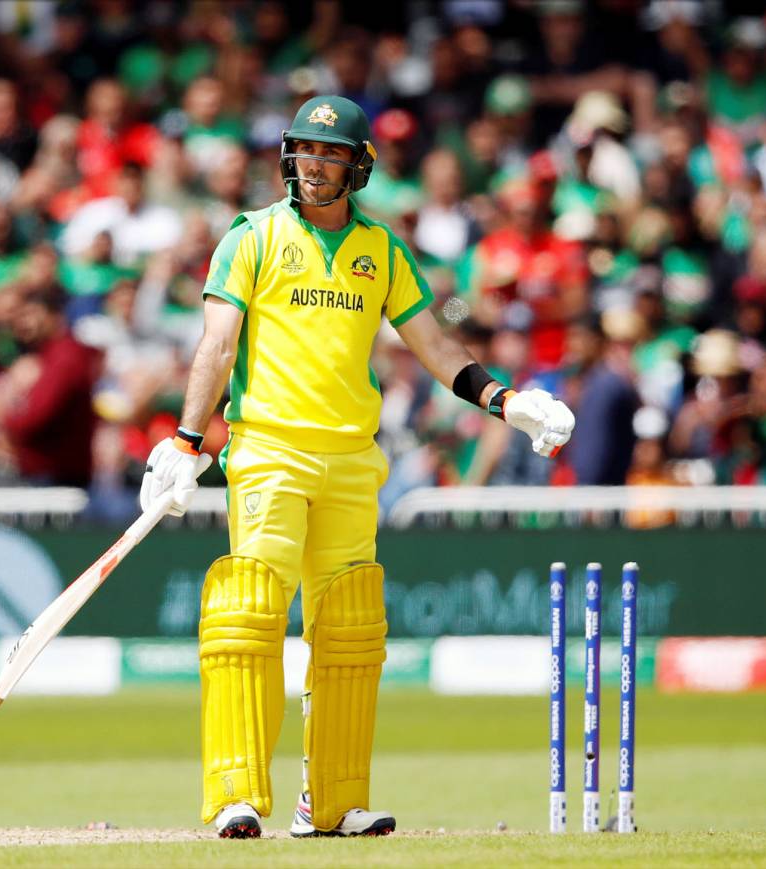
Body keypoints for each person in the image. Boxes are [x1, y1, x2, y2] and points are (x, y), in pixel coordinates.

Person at [137, 95, 575, 839]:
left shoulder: (383, 249)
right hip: (270, 451)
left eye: (331, 152)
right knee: (250, 616)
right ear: (288, 156)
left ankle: (334, 802)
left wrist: (506, 402)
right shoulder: (252, 237)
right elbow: (215, 345)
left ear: (358, 164)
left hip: (350, 459)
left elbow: (435, 347)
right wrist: (184, 442)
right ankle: (236, 794)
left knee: (349, 629)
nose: (315, 163)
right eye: (306, 149)